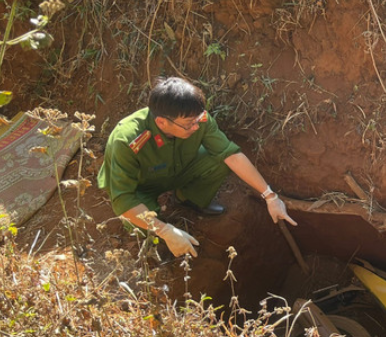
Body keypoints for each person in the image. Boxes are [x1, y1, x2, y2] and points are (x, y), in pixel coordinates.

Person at [97, 76, 296, 258]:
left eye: (197, 120)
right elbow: (123, 199)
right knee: (145, 227)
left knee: (219, 159)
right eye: (188, 124)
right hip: (141, 188)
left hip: (177, 170)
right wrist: (165, 231)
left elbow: (231, 154)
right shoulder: (127, 139)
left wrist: (270, 196)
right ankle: (160, 239)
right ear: (162, 122)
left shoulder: (197, 119)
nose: (195, 127)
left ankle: (188, 198)